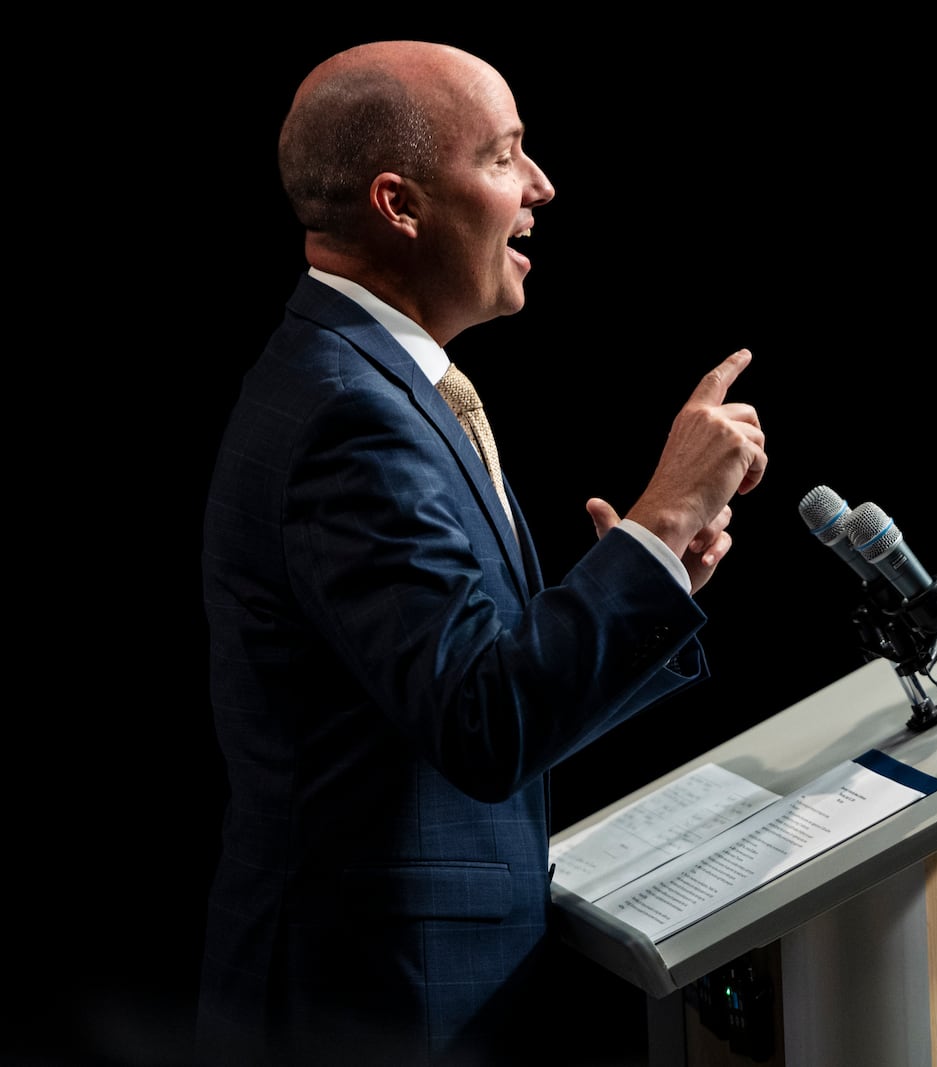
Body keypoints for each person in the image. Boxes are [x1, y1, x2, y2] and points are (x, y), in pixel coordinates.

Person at [196, 40, 766, 1066]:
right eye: (505, 156)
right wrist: (662, 516)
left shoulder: (369, 380)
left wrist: (649, 582)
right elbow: (482, 720)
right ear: (400, 205)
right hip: (374, 1004)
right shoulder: (349, 415)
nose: (542, 187)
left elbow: (454, 698)